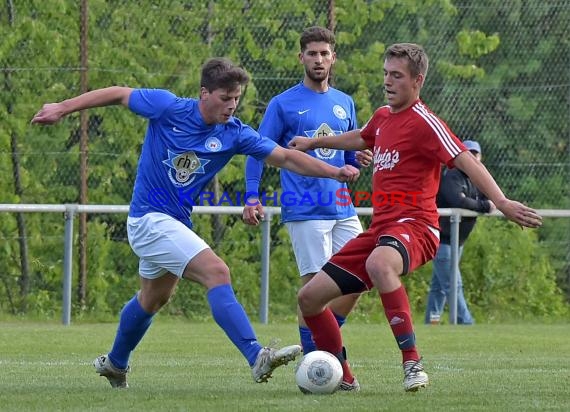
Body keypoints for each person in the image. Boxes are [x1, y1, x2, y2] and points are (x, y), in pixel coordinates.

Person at [31, 57, 360, 389]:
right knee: (217, 272)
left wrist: (335, 171)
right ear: (204, 93)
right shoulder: (167, 107)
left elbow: (286, 157)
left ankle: (115, 363)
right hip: (148, 219)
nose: (232, 105)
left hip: (175, 224)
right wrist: (63, 106)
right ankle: (256, 356)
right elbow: (118, 93)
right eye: (225, 98)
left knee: (152, 299)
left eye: (236, 98)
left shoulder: (234, 133)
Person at [288, 43, 542, 392]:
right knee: (309, 298)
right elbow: (363, 138)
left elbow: (465, 159)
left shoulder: (425, 122)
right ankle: (342, 377)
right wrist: (314, 143)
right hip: (382, 230)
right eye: (385, 74)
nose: (387, 82)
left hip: (417, 227)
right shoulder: (382, 117)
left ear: (417, 81)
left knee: (380, 264)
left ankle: (412, 362)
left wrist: (501, 201)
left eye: (396, 76)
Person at [242, 26, 370, 371]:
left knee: (361, 277)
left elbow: (345, 154)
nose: (318, 59)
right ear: (301, 57)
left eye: (324, 53)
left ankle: (319, 349)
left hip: (342, 206)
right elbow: (257, 151)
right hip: (305, 208)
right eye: (312, 54)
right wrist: (251, 195)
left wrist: (355, 160)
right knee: (315, 290)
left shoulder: (345, 103)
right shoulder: (283, 103)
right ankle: (323, 363)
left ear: (333, 58)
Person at [424, 140, 494, 325]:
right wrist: (484, 206)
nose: (472, 156)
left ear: (480, 156)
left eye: (475, 153)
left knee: (439, 287)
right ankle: (466, 322)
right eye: (467, 153)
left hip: (458, 242)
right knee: (453, 284)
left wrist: (483, 204)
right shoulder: (453, 176)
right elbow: (458, 201)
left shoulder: (478, 178)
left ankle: (431, 322)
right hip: (444, 240)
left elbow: (489, 197)